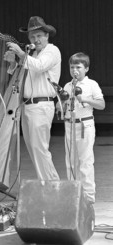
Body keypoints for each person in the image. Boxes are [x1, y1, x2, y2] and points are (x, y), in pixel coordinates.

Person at [4, 16, 61, 180]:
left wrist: (21, 54)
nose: (36, 40)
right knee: (34, 149)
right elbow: (21, 78)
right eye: (32, 37)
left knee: (40, 149)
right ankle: (47, 185)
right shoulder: (33, 54)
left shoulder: (52, 50)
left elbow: (40, 66)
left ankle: (52, 186)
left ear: (47, 36)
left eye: (39, 36)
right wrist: (13, 63)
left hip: (42, 106)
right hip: (27, 106)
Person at [60, 52, 105, 204]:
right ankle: (73, 194)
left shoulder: (91, 84)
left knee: (85, 161)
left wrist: (85, 98)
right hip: (69, 124)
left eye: (78, 67)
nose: (74, 70)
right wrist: (62, 104)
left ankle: (88, 197)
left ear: (86, 68)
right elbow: (60, 106)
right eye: (72, 67)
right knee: (71, 161)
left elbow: (101, 104)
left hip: (85, 124)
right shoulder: (67, 85)